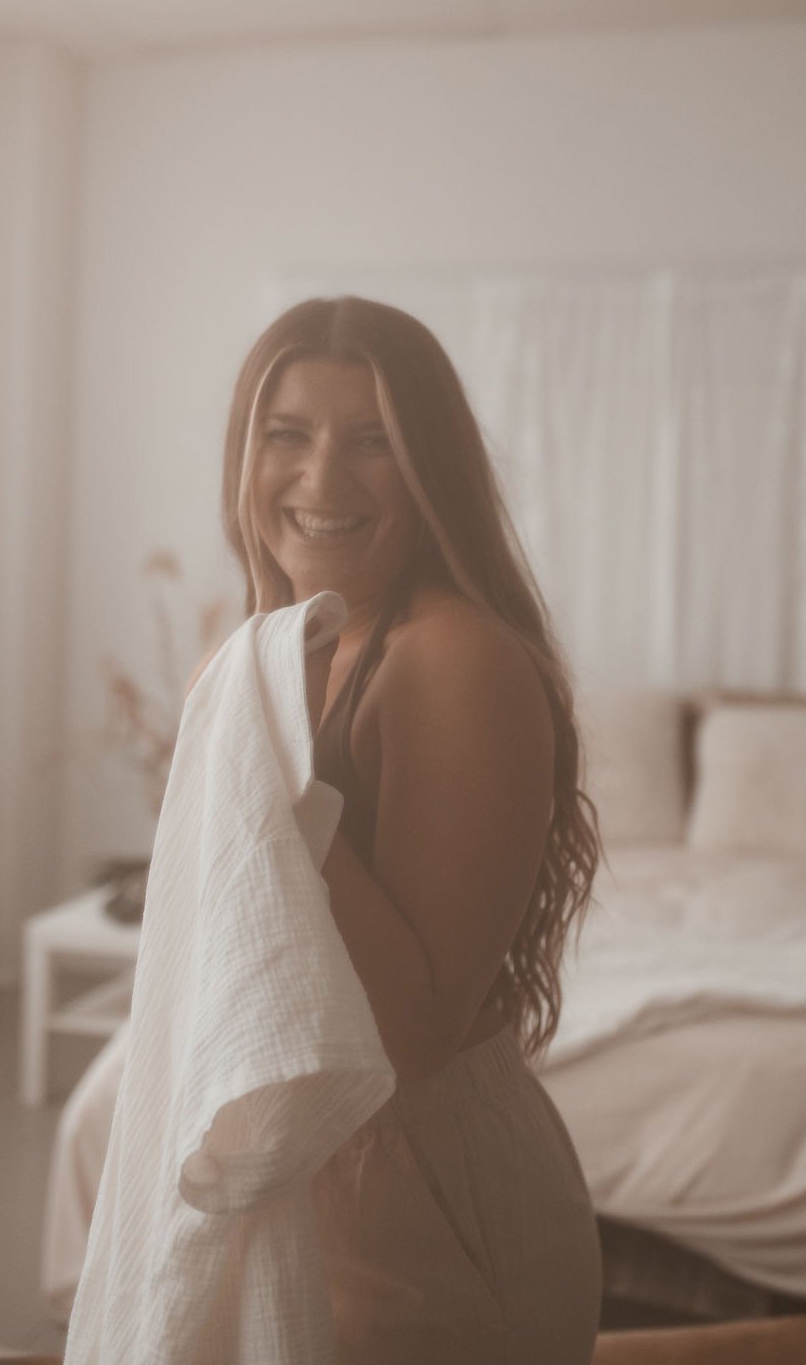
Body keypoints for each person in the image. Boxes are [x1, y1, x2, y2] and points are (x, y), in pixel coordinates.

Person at [221, 294, 602, 1364]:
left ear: (432, 468)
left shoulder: (451, 657)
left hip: (423, 1190)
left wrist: (274, 787)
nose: (321, 481)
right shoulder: (297, 644)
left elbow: (415, 1034)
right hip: (324, 1165)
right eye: (287, 435)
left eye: (374, 442)